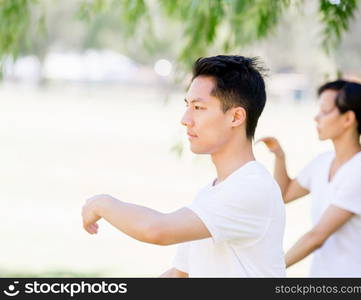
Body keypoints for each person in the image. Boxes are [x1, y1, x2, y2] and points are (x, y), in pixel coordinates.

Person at [81, 55, 286, 277]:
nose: (185, 119)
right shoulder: (211, 193)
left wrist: (102, 203)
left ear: (236, 117)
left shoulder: (251, 188)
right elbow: (180, 275)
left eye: (198, 107)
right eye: (188, 105)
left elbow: (157, 230)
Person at [258, 80, 361, 277]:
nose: (316, 117)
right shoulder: (323, 162)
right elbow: (283, 194)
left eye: (325, 111)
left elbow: (317, 236)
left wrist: (270, 270)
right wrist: (279, 156)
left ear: (348, 119)